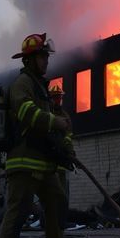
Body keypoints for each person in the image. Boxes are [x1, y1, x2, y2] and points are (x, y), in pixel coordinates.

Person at [0, 33, 84, 238]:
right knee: (17, 213)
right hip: (24, 162)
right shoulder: (22, 83)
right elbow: (26, 112)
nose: (46, 61)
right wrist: (55, 121)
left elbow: (51, 128)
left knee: (56, 204)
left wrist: (64, 149)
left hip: (44, 164)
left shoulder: (41, 86)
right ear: (29, 59)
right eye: (42, 56)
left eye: (46, 56)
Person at [48, 84, 75, 229]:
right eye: (55, 97)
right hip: (49, 162)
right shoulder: (45, 114)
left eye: (59, 97)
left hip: (61, 163)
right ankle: (49, 221)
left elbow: (68, 137)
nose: (58, 100)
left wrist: (70, 152)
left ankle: (61, 221)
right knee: (50, 195)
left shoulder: (65, 116)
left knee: (63, 194)